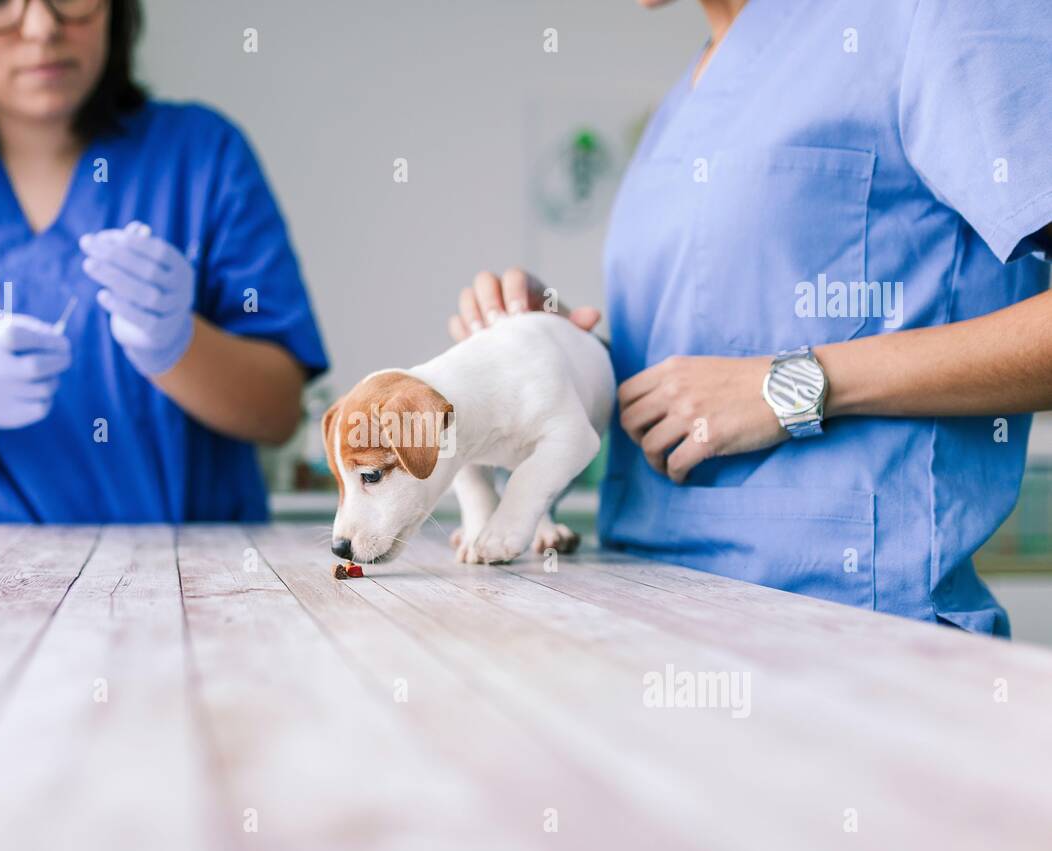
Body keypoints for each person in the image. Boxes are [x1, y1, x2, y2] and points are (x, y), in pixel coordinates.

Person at [448, 0, 1052, 635]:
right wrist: (554, 346)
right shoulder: (685, 99)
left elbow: (752, 380)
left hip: (850, 636)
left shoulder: (938, 15)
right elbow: (696, 367)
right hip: (640, 608)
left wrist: (796, 385)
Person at [0, 0, 327, 522]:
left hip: (190, 593)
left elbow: (279, 412)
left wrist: (179, 345)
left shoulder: (204, 154)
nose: (42, 25)